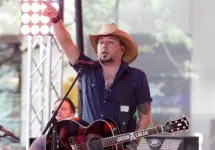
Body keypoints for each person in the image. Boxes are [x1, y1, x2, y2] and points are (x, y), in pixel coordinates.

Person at [42, 2, 152, 150]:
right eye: (101, 42)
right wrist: (55, 18)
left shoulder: (136, 77)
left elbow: (144, 116)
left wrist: (132, 145)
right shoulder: (86, 69)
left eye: (110, 41)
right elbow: (67, 43)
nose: (104, 45)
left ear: (122, 49)